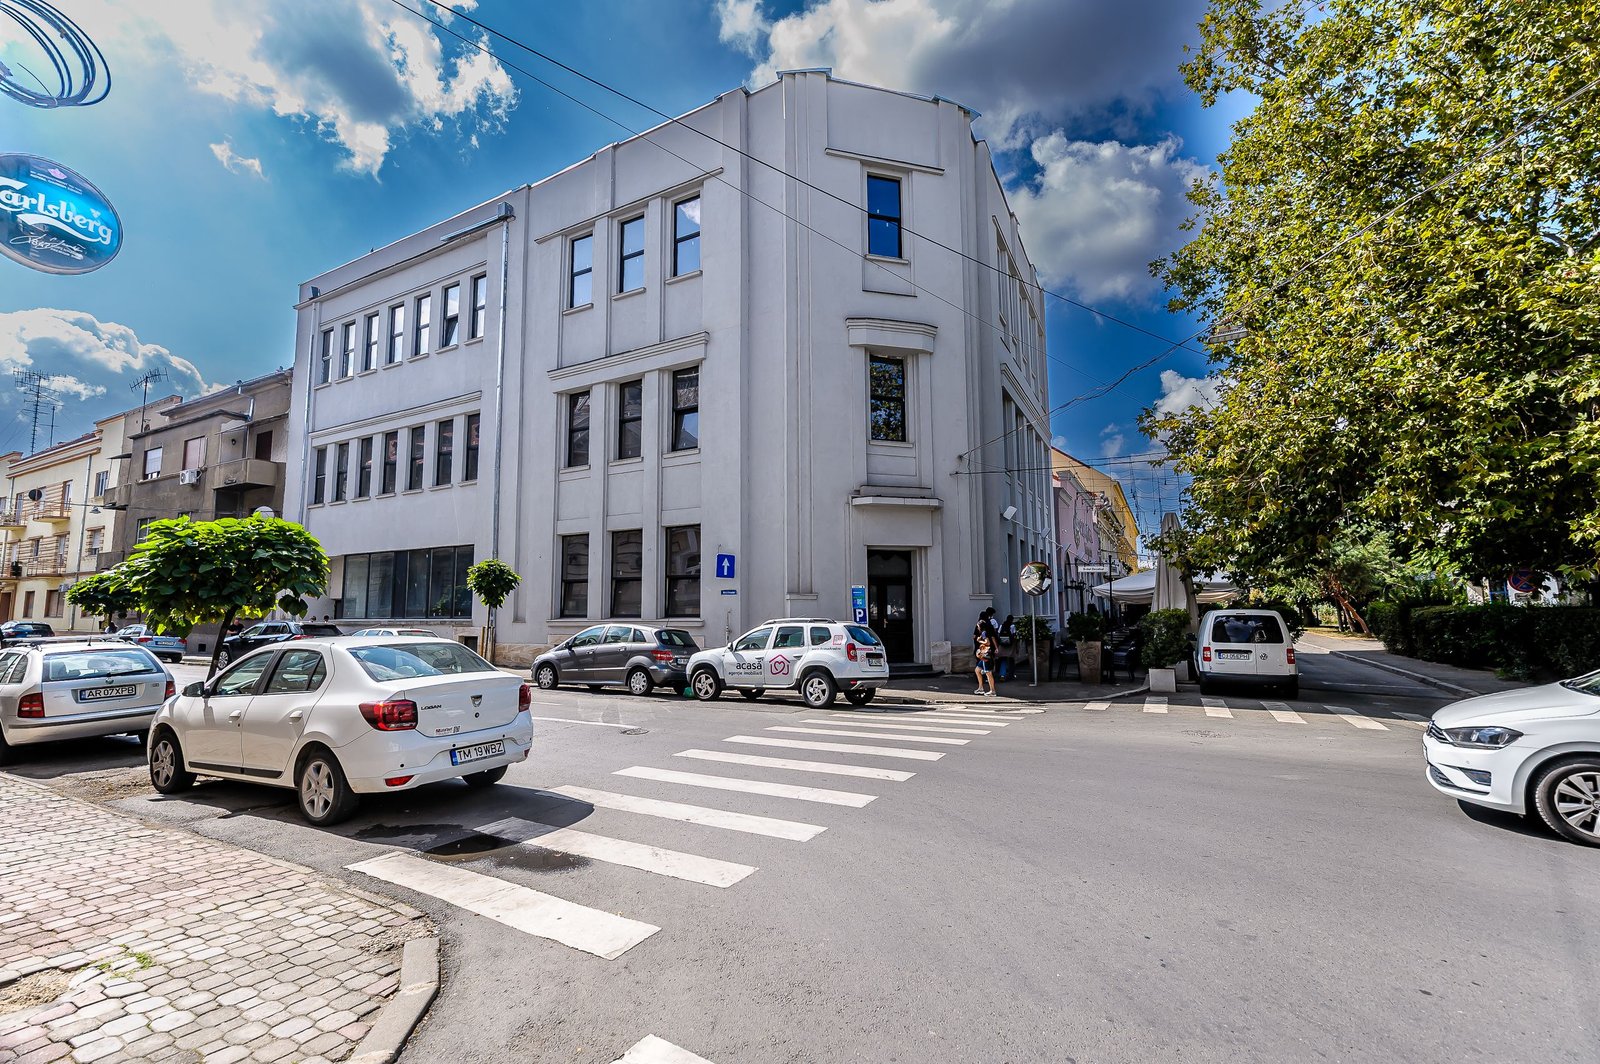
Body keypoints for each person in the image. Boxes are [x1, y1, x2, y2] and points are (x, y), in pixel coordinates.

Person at [972, 622, 997, 697]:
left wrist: (979, 641)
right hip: (985, 655)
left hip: (986, 655)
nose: (977, 628)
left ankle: (992, 691)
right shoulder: (987, 632)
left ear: (980, 626)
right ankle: (981, 688)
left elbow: (988, 643)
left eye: (978, 626)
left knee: (988, 673)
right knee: (977, 670)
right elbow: (992, 639)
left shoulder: (983, 633)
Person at [997, 614, 1017, 681]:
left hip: (1002, 644)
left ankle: (1002, 675)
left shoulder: (1002, 625)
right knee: (1011, 659)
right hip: (1010, 645)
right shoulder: (1012, 626)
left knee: (1003, 659)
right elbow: (1014, 635)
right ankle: (1011, 675)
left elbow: (998, 634)